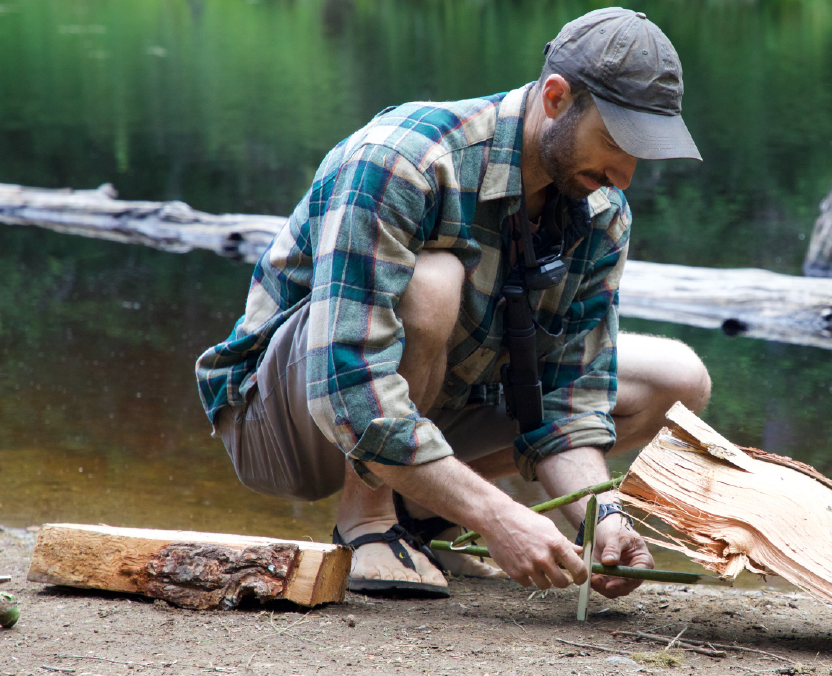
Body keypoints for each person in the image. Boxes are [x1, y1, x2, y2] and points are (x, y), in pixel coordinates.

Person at [195, 7, 710, 600]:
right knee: (434, 280)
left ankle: (424, 516)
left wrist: (602, 517)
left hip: (433, 401)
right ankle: (367, 523)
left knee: (678, 380)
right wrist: (497, 515)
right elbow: (348, 385)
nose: (626, 175)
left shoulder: (599, 208)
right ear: (556, 98)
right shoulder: (403, 158)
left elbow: (572, 398)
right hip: (283, 417)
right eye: (618, 142)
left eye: (644, 153)